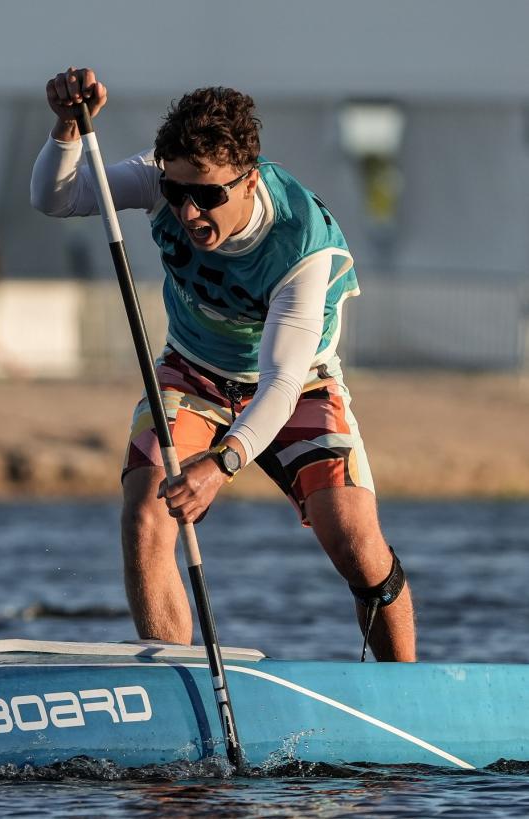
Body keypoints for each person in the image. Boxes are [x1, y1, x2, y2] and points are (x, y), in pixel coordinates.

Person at [31, 67, 416, 662]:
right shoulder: (164, 178)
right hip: (192, 372)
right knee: (148, 513)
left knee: (357, 545)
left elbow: (283, 381)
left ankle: (406, 695)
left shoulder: (302, 246)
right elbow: (56, 198)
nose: (188, 211)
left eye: (208, 195)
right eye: (179, 192)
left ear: (249, 181)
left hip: (298, 385)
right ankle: (173, 690)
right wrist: (66, 129)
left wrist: (224, 461)